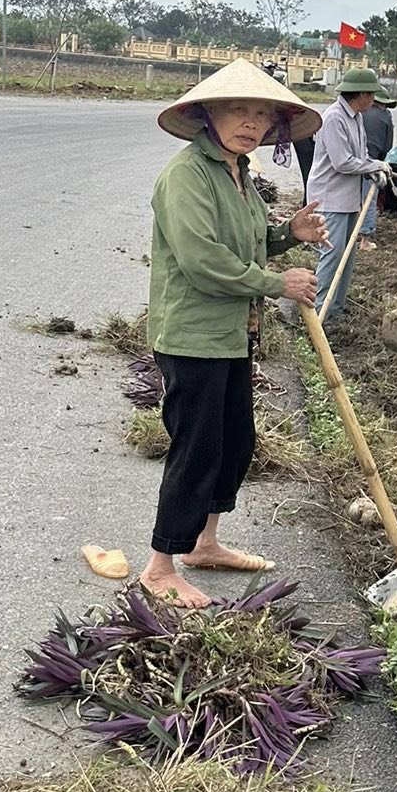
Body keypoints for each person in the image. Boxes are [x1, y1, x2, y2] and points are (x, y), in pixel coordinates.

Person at [144, 60, 325, 606]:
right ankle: (159, 566)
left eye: (262, 115)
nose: (250, 123)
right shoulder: (187, 175)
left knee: (235, 442)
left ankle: (205, 543)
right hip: (192, 334)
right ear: (208, 114)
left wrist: (285, 235)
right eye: (238, 110)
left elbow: (244, 245)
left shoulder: (238, 174)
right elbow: (203, 261)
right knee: (196, 447)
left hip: (231, 332)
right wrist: (277, 283)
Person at [306, 64, 392, 325]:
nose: (374, 100)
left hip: (349, 198)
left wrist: (371, 168)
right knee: (332, 255)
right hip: (330, 197)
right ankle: (319, 313)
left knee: (347, 255)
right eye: (372, 95)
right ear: (362, 95)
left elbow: (360, 155)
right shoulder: (334, 117)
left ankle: (337, 309)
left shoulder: (355, 117)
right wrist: (374, 165)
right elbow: (342, 162)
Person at [359, 90, 397, 249]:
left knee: (351, 199)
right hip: (371, 163)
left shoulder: (358, 113)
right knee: (368, 200)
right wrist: (379, 164)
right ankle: (365, 240)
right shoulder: (385, 116)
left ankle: (349, 233)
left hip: (351, 162)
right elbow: (387, 146)